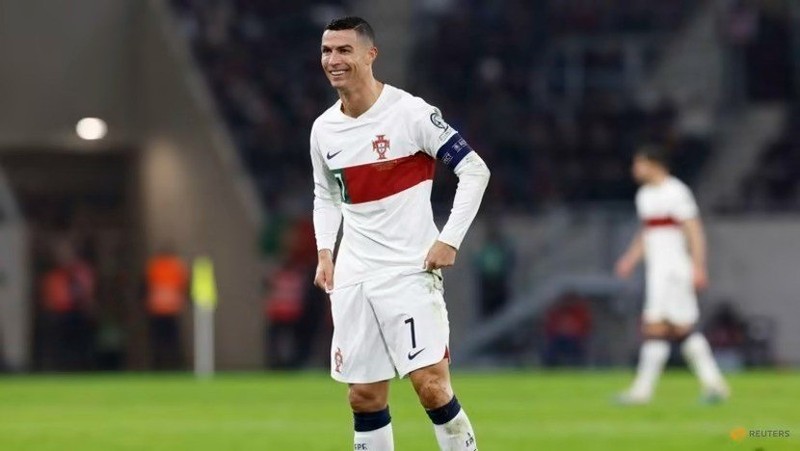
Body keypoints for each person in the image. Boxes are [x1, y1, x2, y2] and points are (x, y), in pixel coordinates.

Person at [310, 17, 489, 451]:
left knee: (430, 385)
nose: (334, 60)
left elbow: (474, 169)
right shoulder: (323, 129)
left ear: (371, 55)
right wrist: (324, 252)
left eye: (344, 50)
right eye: (327, 51)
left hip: (409, 270)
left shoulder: (411, 113)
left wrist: (450, 238)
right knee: (364, 395)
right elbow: (326, 194)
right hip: (354, 276)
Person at [615, 147, 729, 404]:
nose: (635, 170)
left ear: (654, 164)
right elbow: (647, 232)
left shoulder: (676, 192)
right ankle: (714, 385)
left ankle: (642, 392)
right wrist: (630, 259)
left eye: (639, 164)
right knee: (676, 328)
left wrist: (698, 266)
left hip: (676, 269)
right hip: (657, 270)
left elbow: (694, 230)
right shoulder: (644, 195)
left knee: (660, 326)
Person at [145, 247, 188, 370]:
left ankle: (160, 365)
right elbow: (183, 286)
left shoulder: (154, 266)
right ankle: (173, 365)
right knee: (171, 341)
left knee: (159, 340)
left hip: (157, 307)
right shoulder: (177, 266)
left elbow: (145, 286)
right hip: (170, 308)